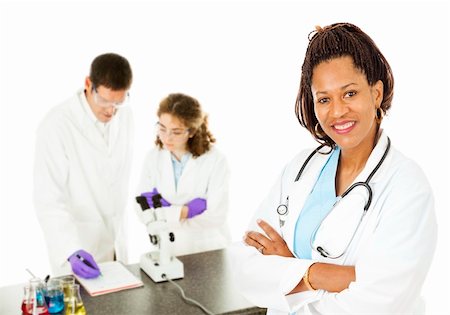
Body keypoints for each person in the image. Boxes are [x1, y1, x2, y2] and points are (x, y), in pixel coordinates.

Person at [233, 23, 437, 314]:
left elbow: (381, 302)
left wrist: (287, 271)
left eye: (350, 93)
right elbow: (245, 267)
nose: (338, 111)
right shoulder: (300, 168)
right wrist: (318, 274)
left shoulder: (407, 186)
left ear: (376, 94)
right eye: (324, 99)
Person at [34, 53, 133, 278]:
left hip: (116, 247)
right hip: (78, 248)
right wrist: (69, 249)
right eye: (105, 101)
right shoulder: (57, 125)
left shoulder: (125, 116)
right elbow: (47, 198)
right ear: (88, 84)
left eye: (119, 102)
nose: (111, 111)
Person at [136, 93, 230, 256]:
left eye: (176, 132)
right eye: (162, 128)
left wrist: (164, 214)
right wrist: (185, 212)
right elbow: (140, 209)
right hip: (167, 249)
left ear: (192, 131)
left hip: (206, 249)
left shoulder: (215, 160)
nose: (167, 137)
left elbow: (216, 216)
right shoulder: (153, 157)